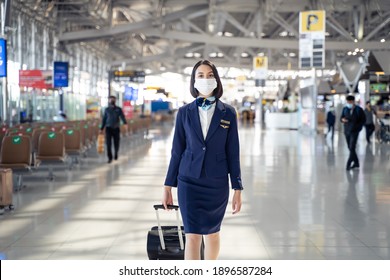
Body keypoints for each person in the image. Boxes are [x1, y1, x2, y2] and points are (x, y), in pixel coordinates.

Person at [162, 60, 243, 260]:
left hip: (216, 183)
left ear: (216, 80)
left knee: (213, 234)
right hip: (188, 181)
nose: (205, 79)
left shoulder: (229, 113)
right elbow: (176, 151)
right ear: (194, 80)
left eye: (209, 75)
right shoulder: (184, 113)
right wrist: (167, 187)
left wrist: (237, 188)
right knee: (192, 236)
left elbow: (233, 152)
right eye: (200, 75)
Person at [340, 95, 366, 170]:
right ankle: (356, 163)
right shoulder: (345, 109)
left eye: (350, 102)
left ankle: (348, 163)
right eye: (347, 102)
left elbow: (363, 120)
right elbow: (341, 118)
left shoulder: (359, 110)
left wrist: (358, 128)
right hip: (347, 131)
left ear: (353, 101)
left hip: (354, 131)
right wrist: (343, 120)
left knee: (352, 147)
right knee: (350, 147)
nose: (348, 103)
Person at [100, 96, 127, 163]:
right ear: (109, 100)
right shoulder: (106, 110)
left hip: (116, 128)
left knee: (116, 143)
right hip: (108, 128)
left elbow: (122, 117)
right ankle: (110, 157)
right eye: (110, 99)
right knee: (108, 143)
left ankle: (116, 153)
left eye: (113, 99)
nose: (112, 100)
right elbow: (104, 119)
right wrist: (101, 128)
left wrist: (125, 123)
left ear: (115, 100)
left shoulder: (118, 109)